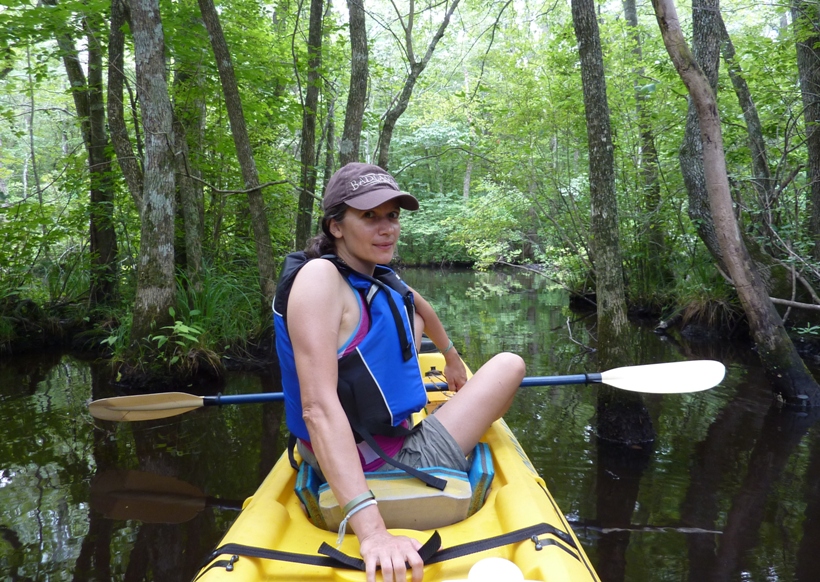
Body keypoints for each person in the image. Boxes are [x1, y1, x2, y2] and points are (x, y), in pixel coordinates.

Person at [273, 163, 526, 582]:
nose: (386, 227)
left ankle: (410, 401)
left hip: (367, 441)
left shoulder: (373, 277)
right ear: (336, 226)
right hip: (381, 458)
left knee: (412, 320)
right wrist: (372, 533)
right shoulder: (319, 278)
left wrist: (451, 357)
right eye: (369, 216)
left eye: (392, 216)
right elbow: (317, 408)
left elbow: (419, 306)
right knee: (509, 365)